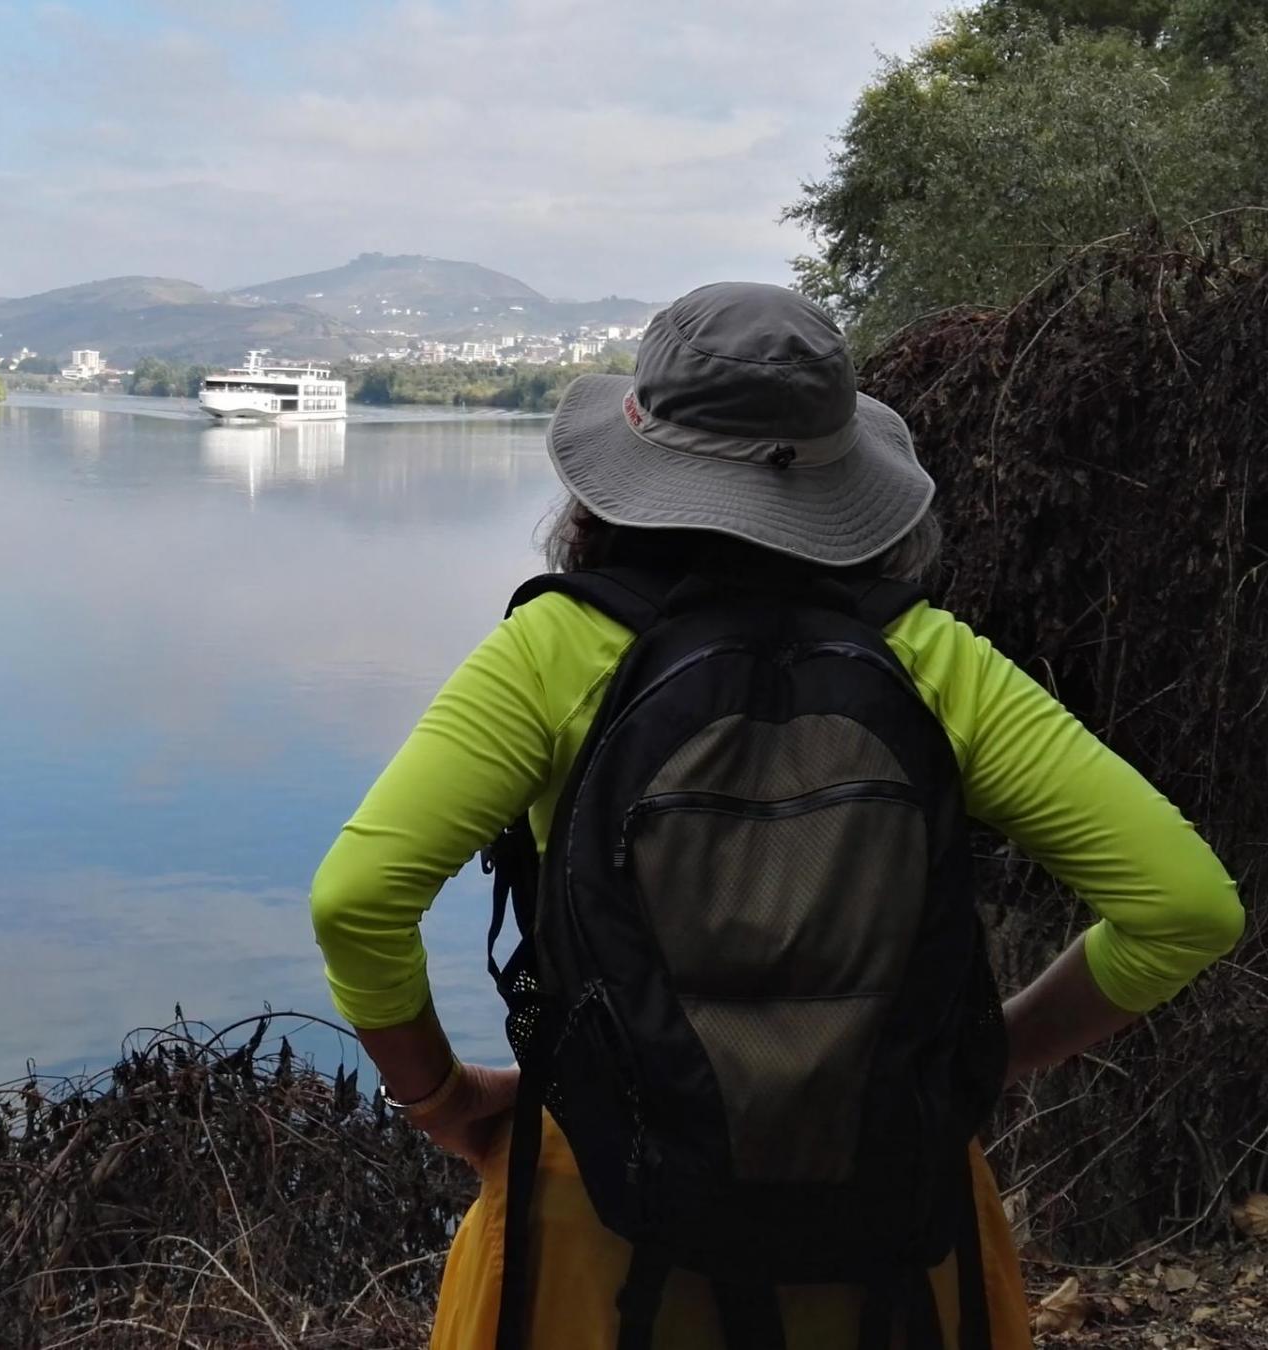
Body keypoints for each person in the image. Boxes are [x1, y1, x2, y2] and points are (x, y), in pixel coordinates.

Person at [309, 283, 1242, 1349]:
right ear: (842, 476)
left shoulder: (553, 652)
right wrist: (985, 1056)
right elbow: (1187, 907)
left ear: (622, 480)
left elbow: (357, 903)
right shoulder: (927, 658)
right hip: (893, 1226)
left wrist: (439, 1102)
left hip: (600, 1219)